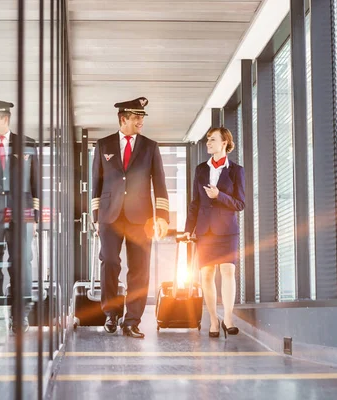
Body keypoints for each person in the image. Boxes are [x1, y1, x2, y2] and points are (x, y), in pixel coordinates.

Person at [91, 97, 170, 339]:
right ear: (123, 119)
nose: (141, 122)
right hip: (109, 216)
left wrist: (163, 217)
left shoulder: (150, 147)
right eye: (136, 117)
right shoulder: (103, 145)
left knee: (139, 269)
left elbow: (160, 183)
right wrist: (96, 216)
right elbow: (97, 182)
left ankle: (132, 321)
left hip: (141, 218)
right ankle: (111, 314)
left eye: (142, 117)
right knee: (110, 263)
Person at [0, 97, 39, 336]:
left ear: (6, 118)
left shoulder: (27, 144)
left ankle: (19, 317)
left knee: (22, 266)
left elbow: (35, 183)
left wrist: (34, 217)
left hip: (20, 215)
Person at [183, 127, 245, 338]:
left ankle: (228, 317)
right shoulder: (201, 169)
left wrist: (219, 195)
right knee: (206, 274)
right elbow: (195, 202)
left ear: (224, 143)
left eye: (212, 140)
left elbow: (240, 204)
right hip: (205, 231)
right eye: (207, 139)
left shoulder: (236, 170)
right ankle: (212, 319)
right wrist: (187, 230)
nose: (208, 143)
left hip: (227, 231)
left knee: (228, 271)